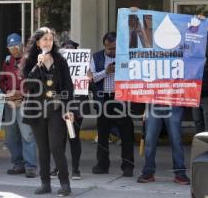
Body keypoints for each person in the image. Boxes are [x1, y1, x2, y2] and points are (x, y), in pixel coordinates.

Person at [22, 27, 73, 196]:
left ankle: (65, 184)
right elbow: (27, 85)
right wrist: (38, 65)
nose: (48, 42)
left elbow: (67, 87)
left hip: (56, 111)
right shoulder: (30, 61)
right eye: (44, 39)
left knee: (57, 147)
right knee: (42, 149)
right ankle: (45, 184)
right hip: (36, 111)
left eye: (50, 39)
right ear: (37, 42)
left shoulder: (60, 61)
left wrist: (68, 108)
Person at [90, 32, 135, 177]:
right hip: (104, 100)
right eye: (109, 49)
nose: (112, 52)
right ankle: (102, 165)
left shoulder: (126, 57)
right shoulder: (96, 57)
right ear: (104, 46)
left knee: (127, 134)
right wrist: (105, 72)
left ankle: (127, 166)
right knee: (103, 135)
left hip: (121, 99)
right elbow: (91, 78)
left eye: (115, 48)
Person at [0, 33, 37, 178]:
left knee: (27, 135)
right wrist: (7, 91)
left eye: (16, 46)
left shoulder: (30, 61)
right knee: (10, 137)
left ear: (22, 45)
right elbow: (2, 80)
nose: (14, 49)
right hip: (10, 104)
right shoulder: (7, 61)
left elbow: (35, 82)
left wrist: (21, 92)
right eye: (11, 47)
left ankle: (30, 167)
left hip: (25, 103)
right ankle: (18, 164)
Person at [50, 39, 87, 180]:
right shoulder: (55, 65)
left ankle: (75, 169)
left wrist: (90, 79)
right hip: (60, 106)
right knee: (59, 139)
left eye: (71, 48)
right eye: (65, 48)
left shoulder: (83, 67)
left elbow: (91, 88)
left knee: (73, 137)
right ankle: (58, 168)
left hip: (75, 107)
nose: (68, 50)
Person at [137, 105, 190, 185]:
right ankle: (148, 171)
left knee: (176, 140)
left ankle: (180, 172)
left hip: (174, 103)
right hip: (154, 103)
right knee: (150, 140)